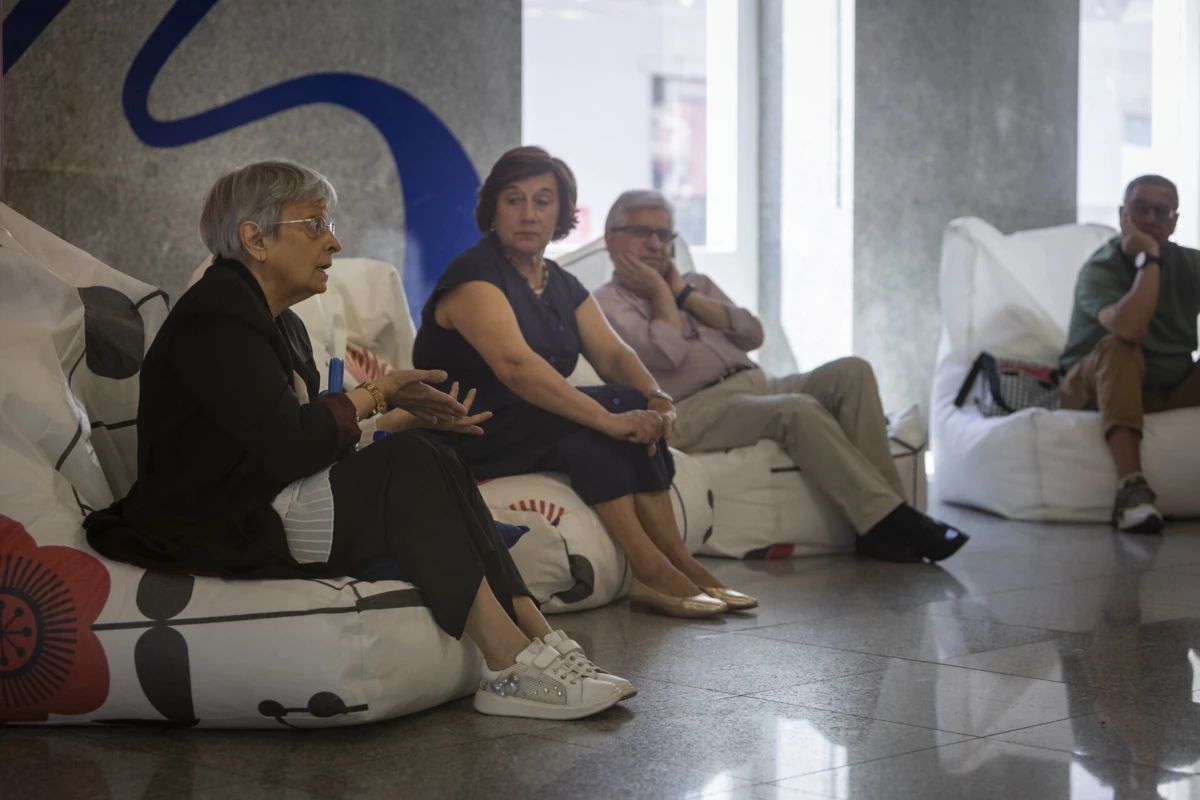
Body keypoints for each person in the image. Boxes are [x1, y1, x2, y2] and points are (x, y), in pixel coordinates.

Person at [83, 160, 631, 720]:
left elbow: (304, 439)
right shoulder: (216, 313)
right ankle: (509, 663)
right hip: (214, 521)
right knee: (410, 465)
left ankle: (539, 638)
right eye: (316, 225)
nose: (334, 241)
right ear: (255, 238)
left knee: (430, 455)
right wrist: (382, 391)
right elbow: (290, 447)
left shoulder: (281, 322)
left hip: (265, 497)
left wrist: (399, 419)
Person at [412, 146, 756, 618]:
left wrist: (657, 399)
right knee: (593, 427)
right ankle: (651, 572)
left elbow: (614, 353)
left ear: (562, 214)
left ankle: (680, 563)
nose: (529, 214)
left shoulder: (556, 280)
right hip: (470, 426)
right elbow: (515, 367)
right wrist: (610, 421)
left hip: (524, 419)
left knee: (629, 398)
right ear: (493, 209)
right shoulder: (474, 274)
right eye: (514, 200)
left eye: (543, 201)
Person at [593, 190, 969, 563]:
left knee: (852, 371)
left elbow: (752, 333)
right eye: (643, 233)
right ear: (611, 237)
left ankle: (888, 520)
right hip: (691, 408)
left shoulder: (695, 284)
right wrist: (660, 292)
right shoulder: (605, 304)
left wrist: (684, 294)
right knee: (796, 410)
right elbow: (666, 353)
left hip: (758, 383)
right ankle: (894, 522)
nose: (656, 245)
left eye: (664, 235)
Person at [1060, 174, 1200, 534]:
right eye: (1141, 208)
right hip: (1094, 387)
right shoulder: (1101, 267)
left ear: (1174, 221)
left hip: (1167, 387)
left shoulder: (1190, 264)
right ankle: (1132, 492)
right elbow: (1131, 327)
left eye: (1161, 211)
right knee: (1120, 346)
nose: (1151, 218)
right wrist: (1149, 259)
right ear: (1124, 214)